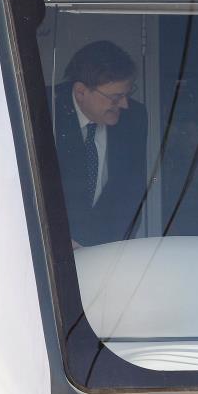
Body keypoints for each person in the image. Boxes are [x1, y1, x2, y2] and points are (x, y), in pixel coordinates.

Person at [52, 40, 148, 247]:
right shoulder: (44, 110)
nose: (124, 104)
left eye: (127, 94)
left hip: (106, 248)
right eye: (116, 97)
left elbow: (130, 191)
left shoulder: (134, 117)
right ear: (81, 92)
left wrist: (106, 247)